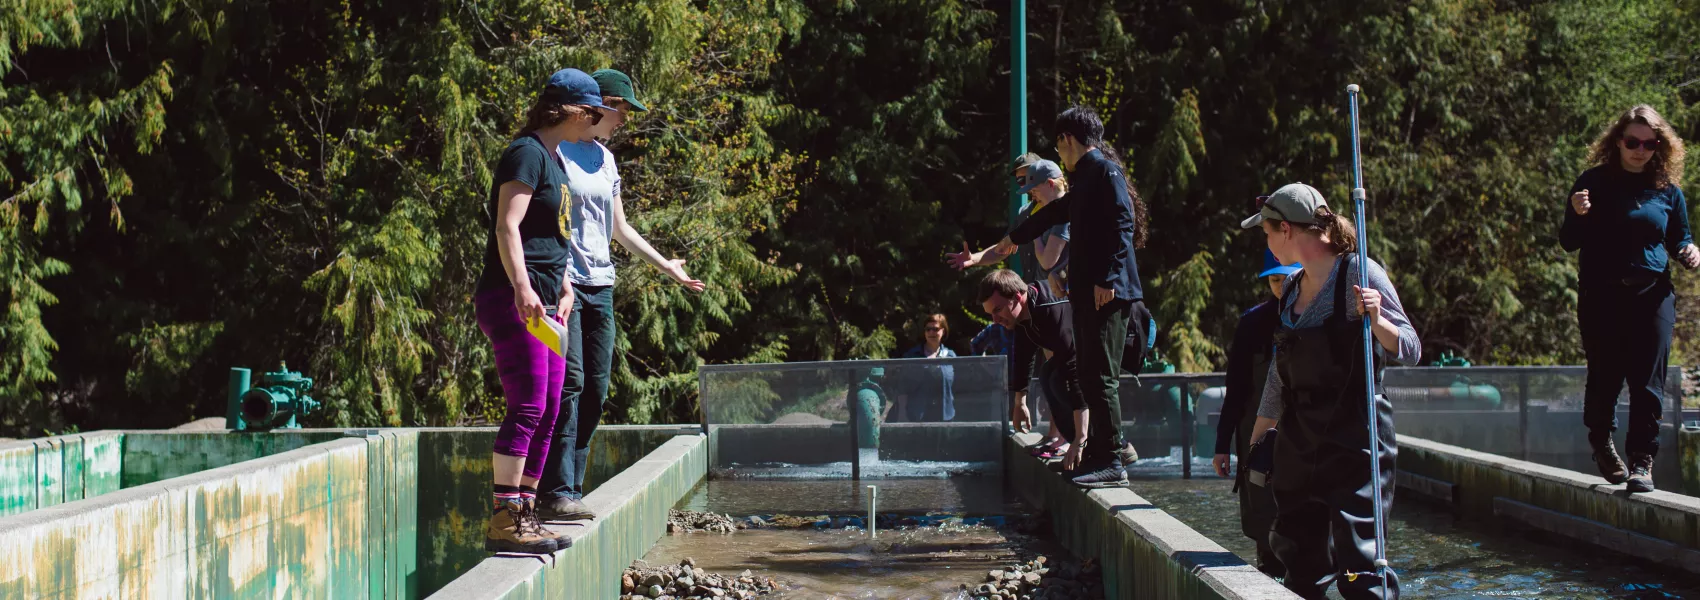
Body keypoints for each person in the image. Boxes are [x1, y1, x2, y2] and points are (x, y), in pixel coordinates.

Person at [536, 68, 708, 522]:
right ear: (599, 105)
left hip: (601, 286)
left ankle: (570, 486)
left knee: (596, 387)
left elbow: (620, 228)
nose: (625, 120)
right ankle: (555, 490)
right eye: (623, 110)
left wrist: (667, 266)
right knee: (568, 384)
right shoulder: (553, 151)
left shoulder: (606, 160)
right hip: (564, 285)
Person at [952, 106, 1148, 488]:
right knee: (1090, 373)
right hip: (1090, 294)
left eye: (1058, 145)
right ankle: (1095, 453)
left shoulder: (1106, 172)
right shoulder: (1085, 178)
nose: (1058, 153)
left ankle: (1111, 459)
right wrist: (1011, 240)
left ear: (1067, 140)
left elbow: (1124, 224)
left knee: (1100, 376)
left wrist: (1108, 277)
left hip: (1110, 292)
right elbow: (1051, 213)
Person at [1243, 183, 1420, 600]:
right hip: (1299, 444)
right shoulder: (1289, 291)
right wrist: (1260, 433)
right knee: (1299, 556)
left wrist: (1377, 321)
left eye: (1267, 233)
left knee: (1361, 567)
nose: (1266, 243)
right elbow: (1278, 373)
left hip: (1356, 441)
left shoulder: (1359, 274)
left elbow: (1410, 348)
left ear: (1286, 229)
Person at [473, 68, 613, 553]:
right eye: (593, 112)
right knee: (530, 405)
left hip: (550, 301)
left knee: (551, 407)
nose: (597, 120)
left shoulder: (553, 159)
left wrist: (567, 283)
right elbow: (507, 226)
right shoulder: (527, 152)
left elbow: (552, 232)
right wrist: (523, 286)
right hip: (515, 298)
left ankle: (527, 511)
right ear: (570, 109)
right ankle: (506, 517)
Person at [1561, 104, 1696, 493]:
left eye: (1649, 143)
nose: (1640, 149)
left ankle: (1642, 461)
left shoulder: (1668, 192)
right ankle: (1602, 441)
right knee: (1606, 375)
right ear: (1618, 141)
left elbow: (1679, 239)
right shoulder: (1593, 183)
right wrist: (1577, 214)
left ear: (1660, 146)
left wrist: (1691, 251)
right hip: (1602, 296)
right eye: (1632, 141)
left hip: (1653, 296)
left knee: (1648, 380)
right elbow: (1569, 241)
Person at [1210, 249, 1299, 578]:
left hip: (1303, 437)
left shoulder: (1318, 318)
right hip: (1256, 438)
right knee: (1263, 515)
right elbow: (1234, 390)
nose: (1281, 286)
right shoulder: (1251, 323)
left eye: (1288, 278)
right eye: (1275, 280)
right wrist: (1222, 444)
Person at [980, 269, 1094, 470]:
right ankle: (1085, 450)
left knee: (1060, 379)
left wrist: (1081, 438)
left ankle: (1100, 447)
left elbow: (1074, 370)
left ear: (1016, 297)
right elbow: (1023, 357)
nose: (994, 320)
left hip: (1121, 340)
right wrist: (1019, 402)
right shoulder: (1023, 315)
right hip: (1083, 352)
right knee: (1048, 374)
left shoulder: (1049, 307)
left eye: (997, 310)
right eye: (990, 313)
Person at [896, 314, 959, 422]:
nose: (931, 332)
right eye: (928, 329)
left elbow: (957, 388)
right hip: (917, 417)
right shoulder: (912, 356)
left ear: (943, 331)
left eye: (935, 329)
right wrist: (902, 413)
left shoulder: (951, 356)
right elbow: (902, 387)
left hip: (945, 418)